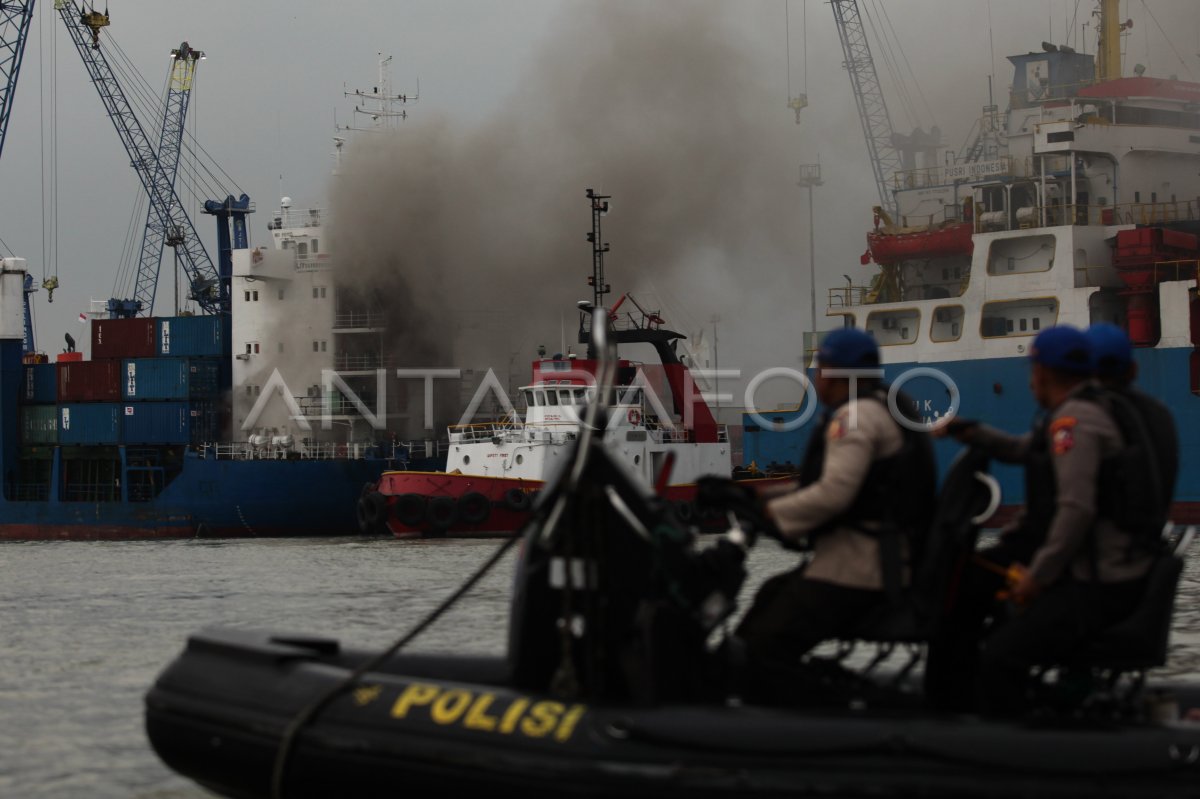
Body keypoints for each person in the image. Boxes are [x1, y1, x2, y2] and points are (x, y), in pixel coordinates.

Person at [927, 326, 1159, 716]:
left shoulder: (1074, 423)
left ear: (1043, 372)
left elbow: (1076, 509)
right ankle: (967, 692)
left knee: (969, 602)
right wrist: (970, 432)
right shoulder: (1080, 412)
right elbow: (1026, 450)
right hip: (1096, 571)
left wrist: (1039, 576)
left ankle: (975, 713)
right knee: (971, 584)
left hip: (1093, 582)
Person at [732, 327, 937, 704]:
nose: (815, 376)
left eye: (820, 367)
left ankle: (810, 716)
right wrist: (753, 494)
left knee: (761, 643)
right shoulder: (885, 406)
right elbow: (844, 487)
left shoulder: (855, 417)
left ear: (835, 372)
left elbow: (833, 495)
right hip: (874, 560)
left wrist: (770, 511)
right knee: (769, 594)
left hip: (859, 568)